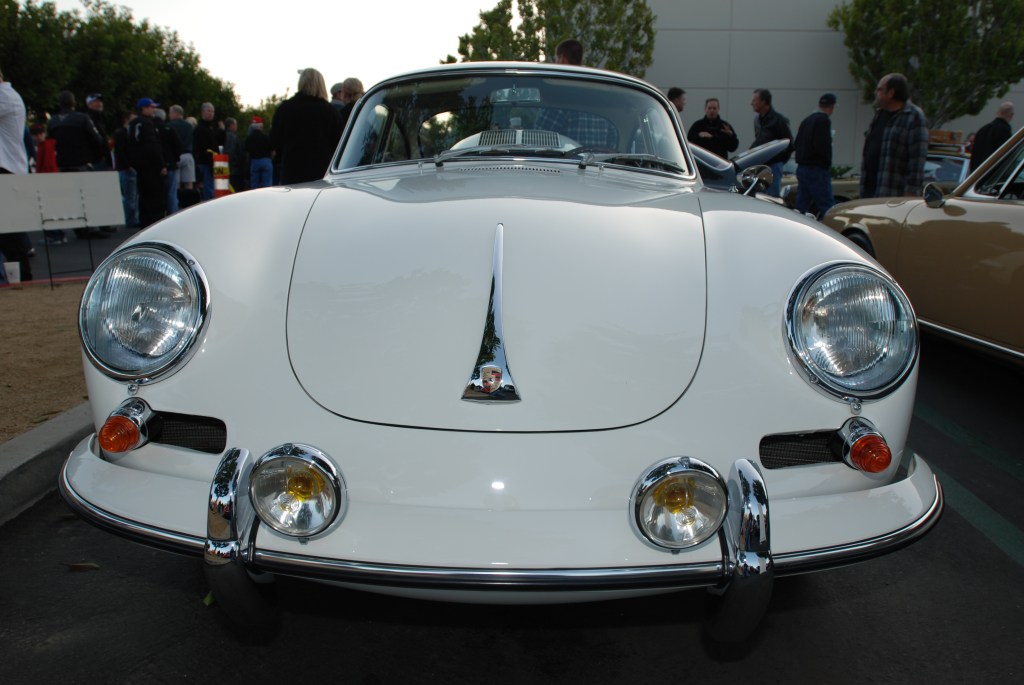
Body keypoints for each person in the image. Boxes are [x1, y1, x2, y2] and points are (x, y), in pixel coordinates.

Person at [859, 73, 928, 199]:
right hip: (870, 193)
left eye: (879, 90)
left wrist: (910, 194)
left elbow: (917, 160)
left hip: (893, 196)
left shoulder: (914, 117)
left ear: (891, 92)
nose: (875, 93)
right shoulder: (879, 115)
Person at [270, 67, 343, 185]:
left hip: (291, 172)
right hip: (322, 173)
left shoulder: (285, 109)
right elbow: (338, 145)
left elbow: (274, 140)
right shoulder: (331, 112)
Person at [0, 65, 33, 281]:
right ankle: (19, 275)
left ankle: (21, 276)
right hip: (8, 167)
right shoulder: (7, 95)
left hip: (6, 168)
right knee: (8, 229)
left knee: (9, 231)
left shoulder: (4, 96)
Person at [793, 93, 837, 218]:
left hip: (802, 167)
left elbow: (796, 143)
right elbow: (822, 147)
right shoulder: (824, 121)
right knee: (826, 205)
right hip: (817, 169)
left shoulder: (806, 121)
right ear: (832, 107)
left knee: (801, 206)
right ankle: (832, 231)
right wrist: (826, 163)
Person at [127, 98, 166, 227]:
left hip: (140, 166)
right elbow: (152, 146)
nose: (153, 109)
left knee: (143, 197)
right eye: (151, 107)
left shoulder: (134, 123)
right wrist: (160, 164)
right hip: (151, 167)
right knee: (155, 198)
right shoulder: (147, 124)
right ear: (144, 108)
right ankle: (155, 224)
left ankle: (144, 223)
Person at [47, 90, 106, 172]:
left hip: (61, 164)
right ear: (73, 103)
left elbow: (50, 143)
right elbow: (97, 139)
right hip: (81, 164)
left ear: (60, 104)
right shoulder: (82, 118)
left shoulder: (52, 122)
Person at [750, 88, 793, 197]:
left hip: (773, 166)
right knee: (759, 197)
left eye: (755, 100)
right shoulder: (757, 120)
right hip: (760, 166)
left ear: (764, 101)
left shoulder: (779, 120)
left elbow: (789, 144)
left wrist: (778, 161)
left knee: (772, 198)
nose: (751, 103)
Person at [112, 111, 140, 228]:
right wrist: (128, 165)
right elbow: (120, 151)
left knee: (130, 195)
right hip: (126, 167)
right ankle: (130, 219)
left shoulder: (124, 133)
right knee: (130, 195)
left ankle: (131, 218)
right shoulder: (122, 133)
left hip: (126, 167)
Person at [969, 101, 1014, 171]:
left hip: (976, 174)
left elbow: (974, 155)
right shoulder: (1005, 131)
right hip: (992, 176)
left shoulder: (982, 130)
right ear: (1011, 115)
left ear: (997, 112)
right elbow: (1005, 157)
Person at [167, 104, 197, 208]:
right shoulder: (189, 126)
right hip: (188, 155)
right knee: (189, 183)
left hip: (177, 157)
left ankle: (177, 207)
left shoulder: (170, 126)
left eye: (170, 113)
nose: (169, 115)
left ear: (175, 113)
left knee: (177, 185)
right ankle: (189, 205)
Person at [153, 107, 182, 213]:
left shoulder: (151, 129)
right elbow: (178, 146)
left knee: (158, 193)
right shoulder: (169, 129)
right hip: (170, 164)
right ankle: (172, 214)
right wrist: (175, 159)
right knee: (171, 192)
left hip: (155, 165)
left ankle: (159, 214)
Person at [193, 102, 222, 200]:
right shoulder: (200, 128)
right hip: (206, 163)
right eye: (208, 111)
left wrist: (222, 131)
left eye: (212, 111)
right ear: (203, 112)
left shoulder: (212, 127)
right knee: (208, 188)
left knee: (216, 187)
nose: (211, 113)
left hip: (215, 162)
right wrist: (210, 160)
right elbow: (200, 148)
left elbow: (220, 141)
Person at [245, 115, 273, 188]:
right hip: (266, 161)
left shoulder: (249, 138)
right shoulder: (266, 137)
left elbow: (246, 152)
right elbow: (272, 150)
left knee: (254, 185)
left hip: (254, 162)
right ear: (261, 126)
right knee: (267, 186)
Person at [84, 93, 110, 170]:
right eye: (96, 101)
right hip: (96, 160)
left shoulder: (100, 118)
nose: (99, 104)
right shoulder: (88, 118)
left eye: (100, 101)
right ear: (89, 104)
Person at [223, 117, 246, 192]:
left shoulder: (224, 135)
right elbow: (231, 152)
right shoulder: (232, 137)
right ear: (232, 125)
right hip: (233, 170)